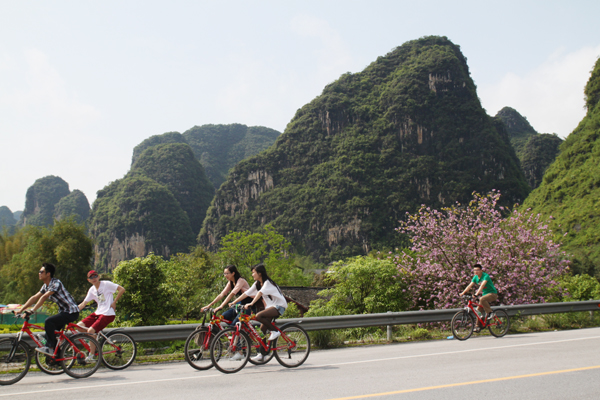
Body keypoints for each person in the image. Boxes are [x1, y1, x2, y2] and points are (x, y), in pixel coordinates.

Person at [18, 263, 80, 356]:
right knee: (49, 334)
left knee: (48, 322)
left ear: (48, 274)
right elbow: (34, 297)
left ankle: (50, 348)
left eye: (41, 271)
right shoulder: (45, 286)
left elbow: (44, 297)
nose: (39, 273)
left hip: (71, 312)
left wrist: (32, 311)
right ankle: (57, 358)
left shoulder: (56, 283)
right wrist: (21, 309)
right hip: (63, 312)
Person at [229, 263, 287, 362]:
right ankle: (262, 353)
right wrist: (233, 302)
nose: (252, 274)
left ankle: (275, 331)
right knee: (261, 329)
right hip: (270, 307)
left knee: (259, 315)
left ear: (259, 273)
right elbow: (247, 293)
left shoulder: (267, 283)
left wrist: (251, 303)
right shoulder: (257, 284)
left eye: (253, 272)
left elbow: (259, 293)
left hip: (279, 306)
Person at [460, 263, 498, 331]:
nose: (476, 271)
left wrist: (476, 294)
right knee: (478, 311)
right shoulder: (475, 277)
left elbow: (482, 285)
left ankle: (490, 313)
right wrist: (463, 293)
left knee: (482, 299)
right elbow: (469, 286)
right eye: (474, 270)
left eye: (477, 270)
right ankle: (478, 326)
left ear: (481, 270)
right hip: (485, 295)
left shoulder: (485, 276)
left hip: (492, 294)